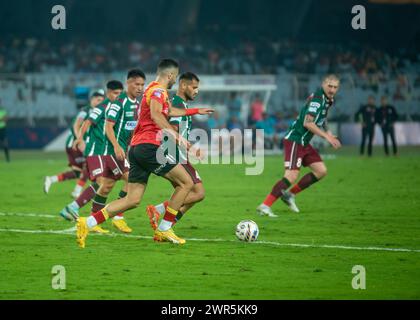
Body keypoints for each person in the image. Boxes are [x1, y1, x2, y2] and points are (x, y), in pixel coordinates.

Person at [75, 59, 213, 248]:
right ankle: (164, 228)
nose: (175, 81)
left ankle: (87, 222)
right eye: (175, 77)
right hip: (150, 148)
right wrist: (178, 137)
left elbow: (169, 111)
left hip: (136, 149)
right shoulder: (158, 91)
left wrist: (196, 110)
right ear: (171, 75)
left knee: (132, 200)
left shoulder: (153, 91)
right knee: (186, 183)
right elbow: (157, 115)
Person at [256, 75, 342, 217]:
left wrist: (328, 131)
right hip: (295, 139)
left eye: (335, 87)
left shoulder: (328, 100)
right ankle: (264, 206)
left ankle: (289, 195)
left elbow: (322, 117)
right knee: (291, 175)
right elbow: (307, 123)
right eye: (330, 86)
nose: (332, 90)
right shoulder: (317, 100)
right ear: (323, 84)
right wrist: (326, 137)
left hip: (304, 142)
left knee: (321, 171)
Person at [146, 72, 206, 231]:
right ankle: (159, 212)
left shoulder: (181, 105)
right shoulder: (177, 104)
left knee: (186, 196)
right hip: (175, 156)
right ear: (183, 85)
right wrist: (189, 148)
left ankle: (166, 226)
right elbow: (170, 129)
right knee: (198, 193)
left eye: (197, 88)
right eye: (194, 87)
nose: (196, 91)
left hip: (178, 155)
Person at [43, 90, 105, 196]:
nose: (100, 102)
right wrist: (79, 140)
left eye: (102, 100)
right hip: (75, 144)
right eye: (98, 100)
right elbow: (75, 125)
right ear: (92, 99)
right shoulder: (85, 111)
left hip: (80, 144)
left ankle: (51, 179)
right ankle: (77, 191)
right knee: (89, 165)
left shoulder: (97, 112)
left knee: (78, 172)